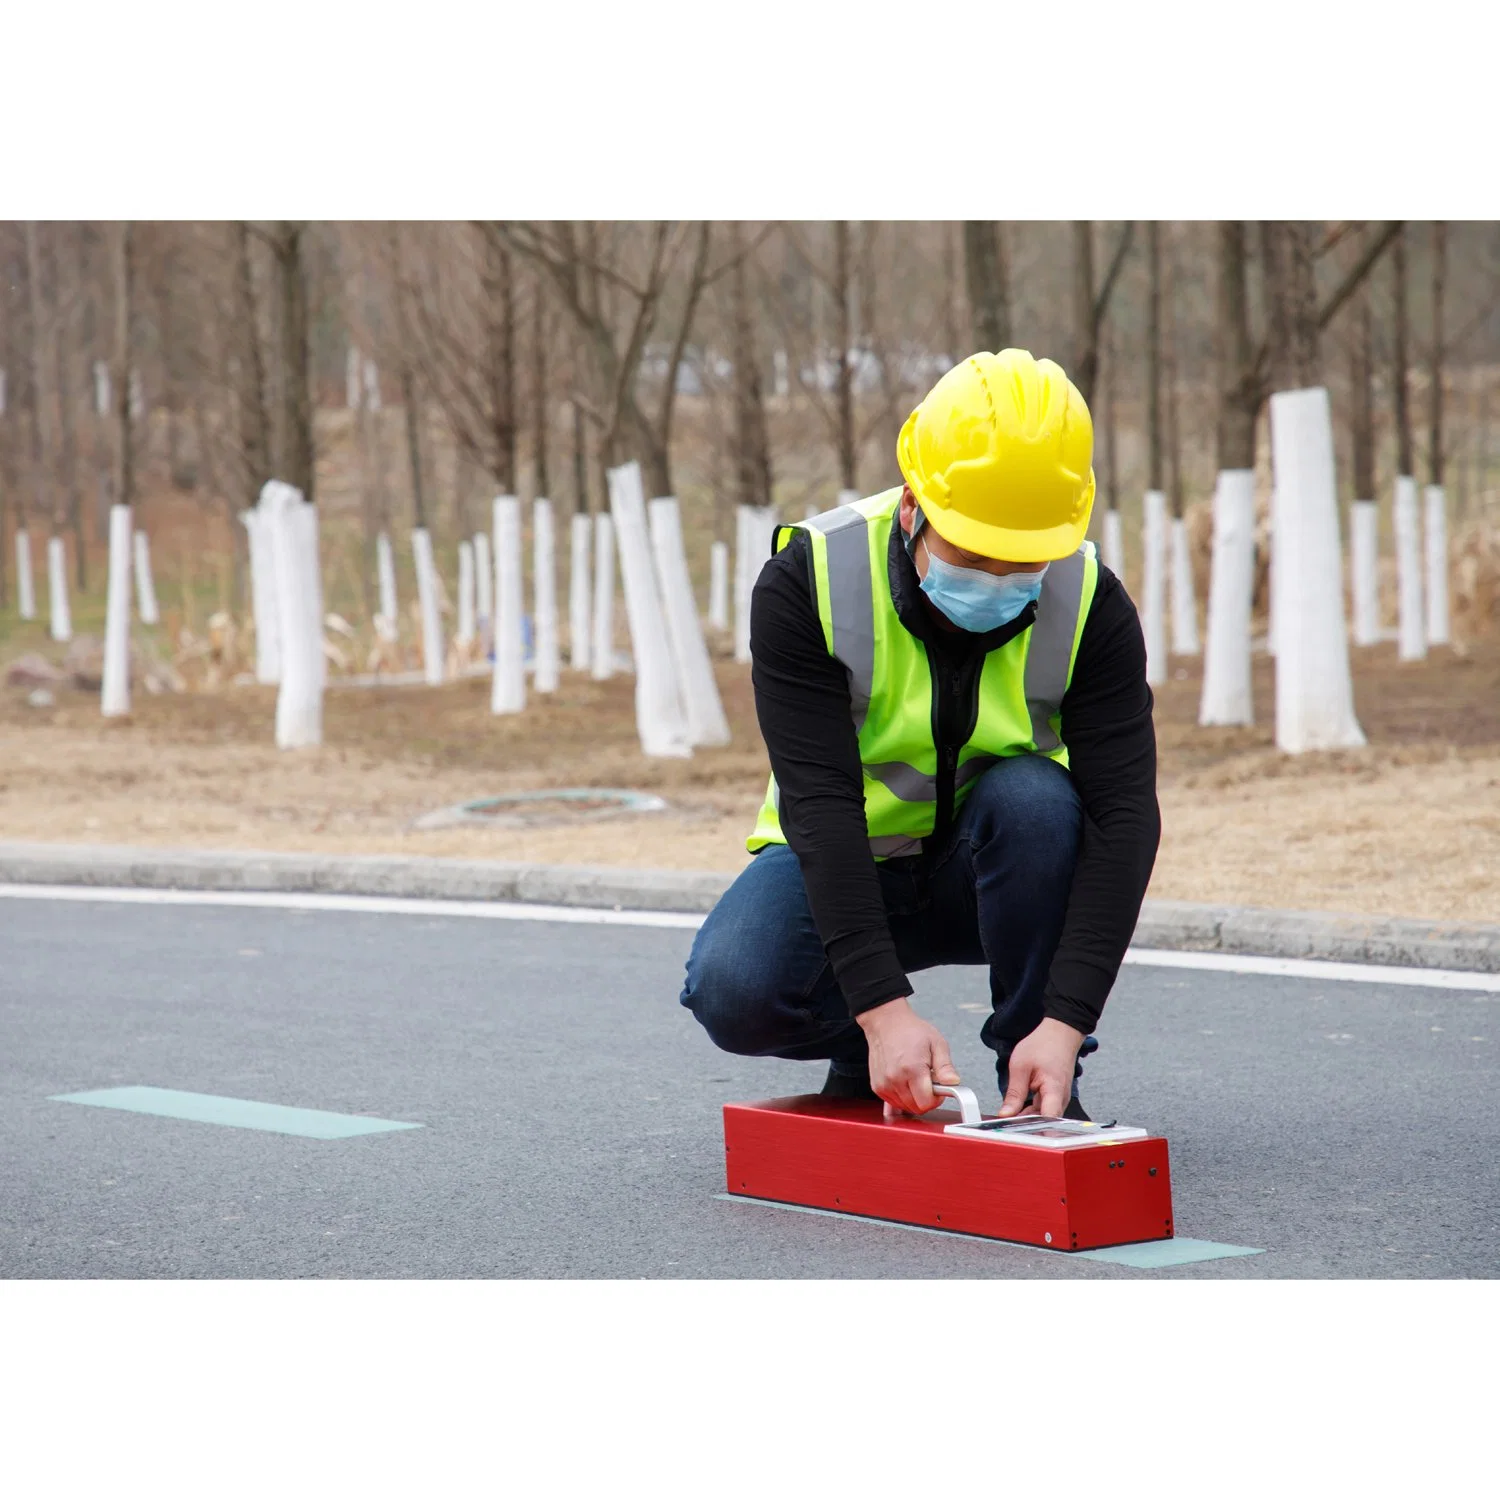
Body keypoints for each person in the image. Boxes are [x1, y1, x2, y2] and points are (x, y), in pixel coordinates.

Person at [681, 349, 1160, 1122]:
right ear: (913, 508)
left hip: (996, 877)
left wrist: (1066, 1021)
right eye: (973, 553)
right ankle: (870, 1050)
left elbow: (1125, 817)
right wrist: (880, 1012)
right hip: (844, 863)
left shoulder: (1092, 602)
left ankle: (1031, 1077)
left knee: (1036, 799)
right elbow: (822, 803)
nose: (1001, 578)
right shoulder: (811, 581)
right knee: (736, 987)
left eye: (1024, 559)